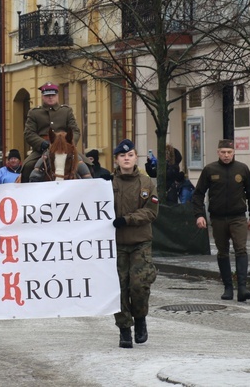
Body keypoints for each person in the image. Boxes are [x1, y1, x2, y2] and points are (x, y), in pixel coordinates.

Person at [192, 139, 250, 303]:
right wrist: (199, 215)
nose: (226, 155)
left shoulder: (242, 169)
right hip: (218, 218)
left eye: (229, 152)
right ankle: (228, 287)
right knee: (222, 252)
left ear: (234, 152)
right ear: (218, 152)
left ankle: (242, 287)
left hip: (238, 217)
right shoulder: (210, 170)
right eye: (223, 152)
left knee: (241, 249)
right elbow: (198, 194)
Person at [110, 139, 158, 349]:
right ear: (117, 159)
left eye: (130, 155)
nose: (126, 159)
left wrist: (127, 219)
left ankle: (140, 320)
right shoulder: (108, 183)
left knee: (139, 285)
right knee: (118, 288)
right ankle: (124, 330)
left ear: (135, 158)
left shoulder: (147, 183)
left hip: (140, 242)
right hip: (115, 245)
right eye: (122, 156)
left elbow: (151, 211)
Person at [21, 82, 81, 182]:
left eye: (53, 95)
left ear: (57, 96)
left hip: (66, 148)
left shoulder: (66, 111)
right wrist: (42, 143)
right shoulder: (34, 113)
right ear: (43, 96)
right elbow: (29, 133)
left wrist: (70, 143)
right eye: (47, 95)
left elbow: (75, 130)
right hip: (43, 149)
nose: (50, 98)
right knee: (28, 166)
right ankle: (25, 193)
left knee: (87, 166)